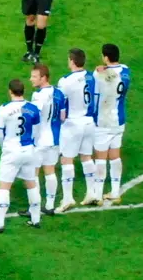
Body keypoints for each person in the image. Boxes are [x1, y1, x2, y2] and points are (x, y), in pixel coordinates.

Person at [0, 79, 45, 233]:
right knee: (31, 183)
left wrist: (4, 147)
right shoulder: (33, 109)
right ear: (23, 91)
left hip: (11, 151)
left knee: (4, 186)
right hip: (28, 150)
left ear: (10, 91)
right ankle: (35, 219)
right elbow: (37, 131)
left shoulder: (4, 109)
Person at [53, 48, 98, 213]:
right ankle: (92, 192)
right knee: (86, 157)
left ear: (71, 61)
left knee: (66, 160)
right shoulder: (92, 76)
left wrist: (61, 122)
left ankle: (67, 198)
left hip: (73, 123)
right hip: (89, 121)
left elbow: (62, 108)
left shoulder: (65, 81)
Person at [92, 43, 131, 205]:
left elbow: (95, 95)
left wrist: (99, 71)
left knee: (100, 157)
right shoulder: (126, 71)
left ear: (106, 57)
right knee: (115, 155)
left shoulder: (99, 75)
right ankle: (115, 191)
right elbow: (115, 72)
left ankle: (98, 194)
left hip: (104, 120)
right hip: (119, 119)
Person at [28, 64, 60, 215]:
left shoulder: (38, 96)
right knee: (50, 171)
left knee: (33, 173)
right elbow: (63, 117)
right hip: (54, 138)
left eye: (34, 76)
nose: (31, 79)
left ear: (44, 77)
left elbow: (34, 116)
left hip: (40, 139)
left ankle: (33, 208)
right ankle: (50, 205)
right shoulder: (59, 93)